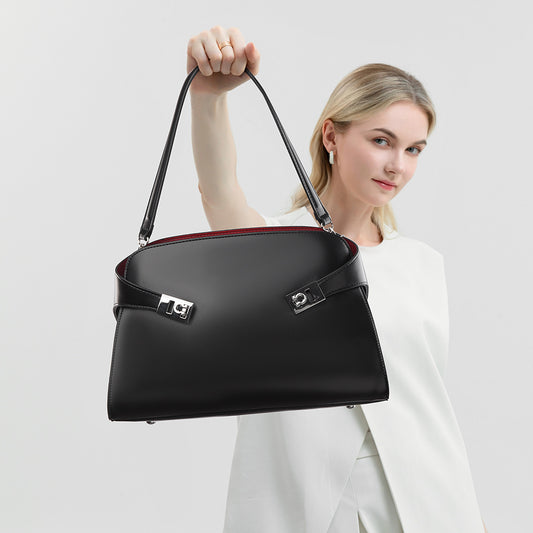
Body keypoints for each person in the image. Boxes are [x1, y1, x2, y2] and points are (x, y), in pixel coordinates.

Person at [187, 26, 488, 533]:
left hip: (424, 506)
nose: (397, 166)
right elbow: (218, 191)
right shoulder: (275, 248)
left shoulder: (421, 265)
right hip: (296, 504)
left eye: (414, 149)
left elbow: (430, 410)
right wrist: (208, 96)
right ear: (332, 137)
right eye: (381, 141)